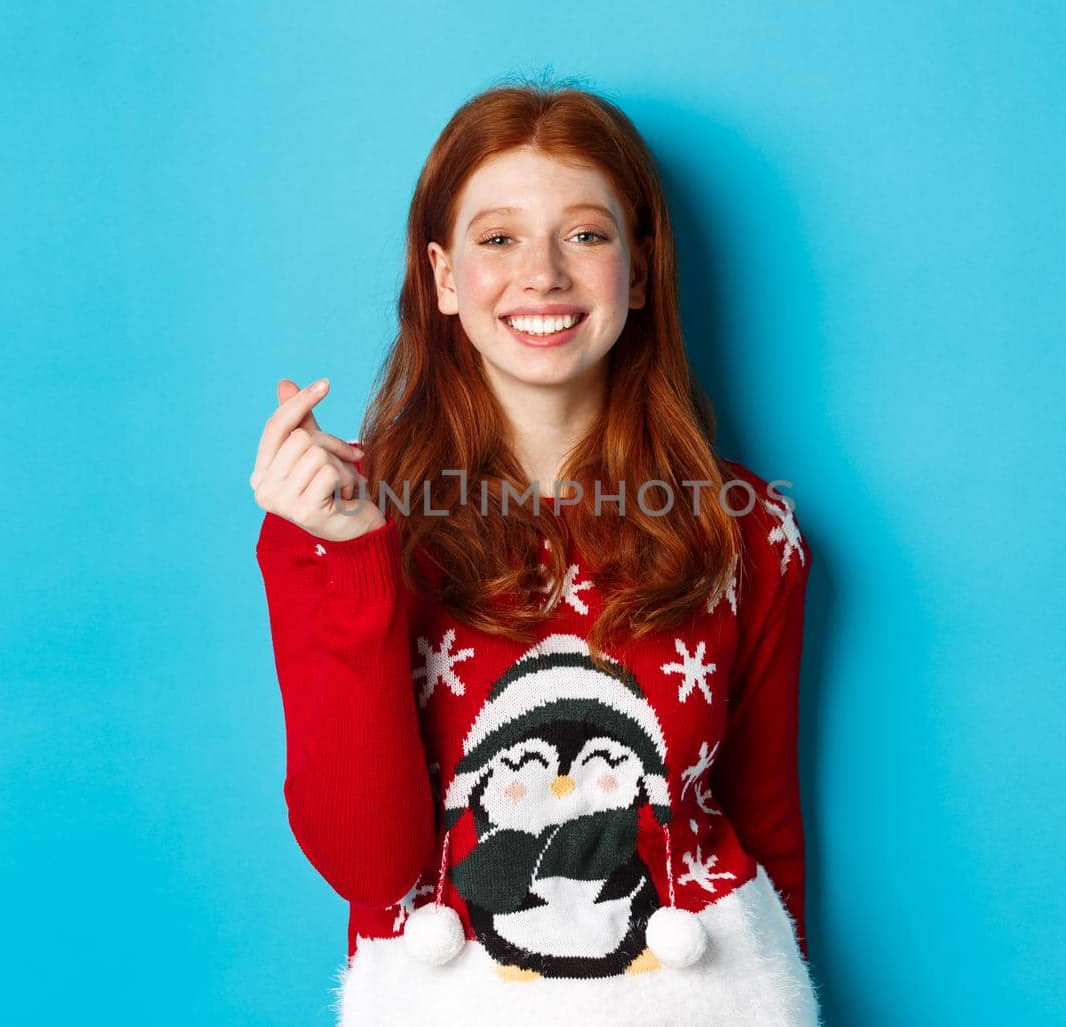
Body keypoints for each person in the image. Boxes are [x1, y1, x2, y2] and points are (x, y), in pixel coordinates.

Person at [250, 79, 820, 1026]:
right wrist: (347, 557)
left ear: (641, 271)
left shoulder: (750, 528)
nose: (544, 274)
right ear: (440, 277)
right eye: (499, 237)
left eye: (587, 235)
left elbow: (765, 830)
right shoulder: (338, 514)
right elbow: (370, 865)